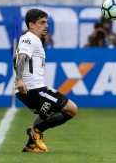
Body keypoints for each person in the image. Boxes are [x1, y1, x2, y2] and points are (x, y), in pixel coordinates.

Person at [14, 9, 78, 152]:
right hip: (33, 89)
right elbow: (21, 57)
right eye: (42, 23)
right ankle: (35, 131)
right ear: (31, 25)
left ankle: (31, 145)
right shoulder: (29, 37)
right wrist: (19, 79)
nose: (46, 25)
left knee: (46, 114)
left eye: (46, 22)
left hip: (29, 89)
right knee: (72, 109)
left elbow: (16, 58)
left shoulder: (33, 40)